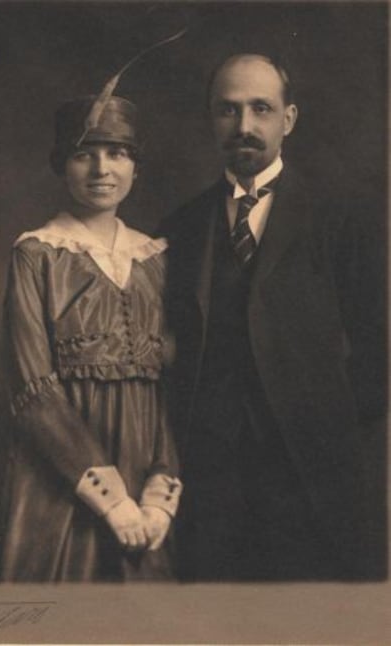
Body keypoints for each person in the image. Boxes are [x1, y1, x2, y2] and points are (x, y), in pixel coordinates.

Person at [161, 53, 387, 581]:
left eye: (260, 109)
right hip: (211, 487)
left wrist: (329, 433)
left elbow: (380, 350)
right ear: (211, 119)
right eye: (228, 110)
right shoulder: (183, 226)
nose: (244, 126)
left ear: (287, 120)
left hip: (312, 484)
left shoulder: (343, 216)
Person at [0, 93, 182, 582]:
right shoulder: (37, 254)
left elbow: (170, 386)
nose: (102, 168)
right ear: (63, 165)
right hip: (62, 479)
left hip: (144, 481)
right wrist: (112, 500)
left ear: (135, 167)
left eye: (117, 153)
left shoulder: (155, 259)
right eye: (85, 154)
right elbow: (33, 387)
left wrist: (159, 496)